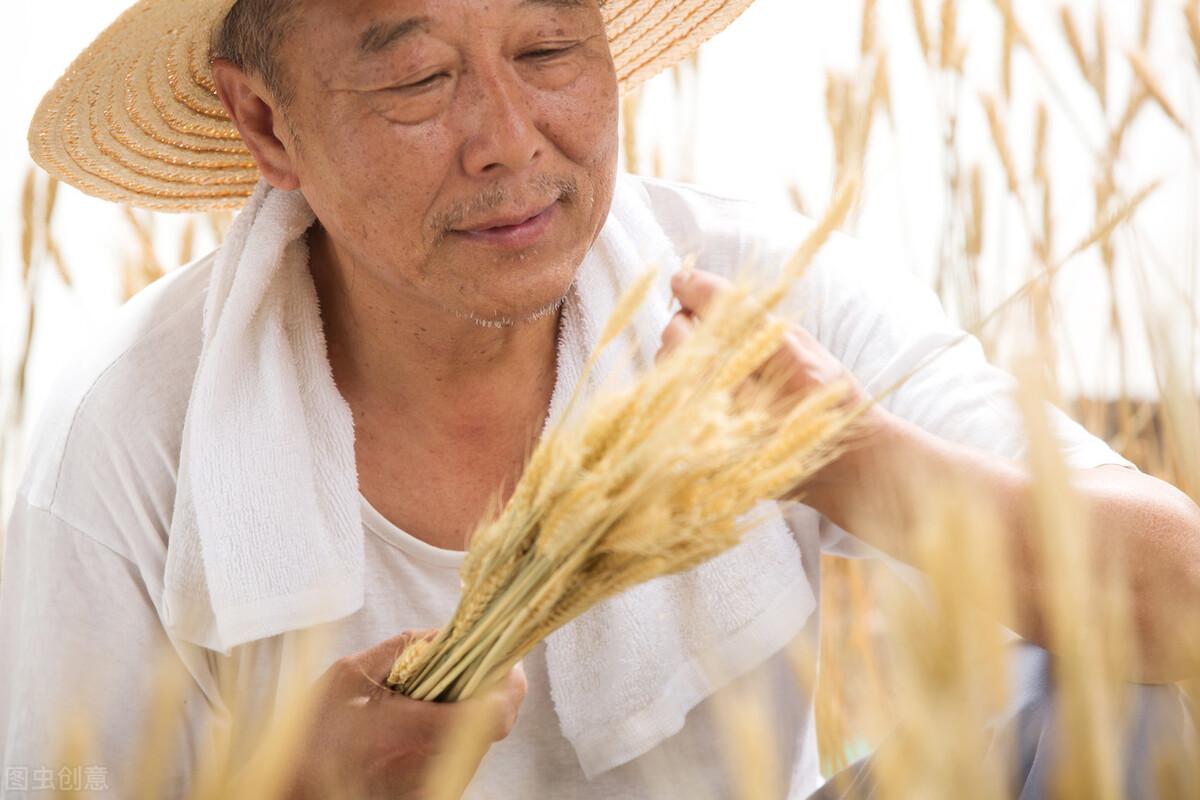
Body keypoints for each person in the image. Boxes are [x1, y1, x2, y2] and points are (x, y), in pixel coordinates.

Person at [3, 0, 1198, 797]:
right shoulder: (124, 443)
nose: (510, 140)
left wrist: (849, 452)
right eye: (419, 78)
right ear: (266, 120)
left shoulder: (747, 290)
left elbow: (1185, 604)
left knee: (1133, 708)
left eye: (547, 52)